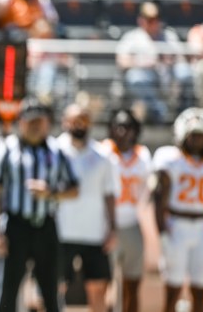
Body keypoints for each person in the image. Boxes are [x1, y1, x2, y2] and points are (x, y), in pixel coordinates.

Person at [0, 96, 78, 312]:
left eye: (39, 121)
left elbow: (74, 189)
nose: (35, 126)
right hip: (15, 226)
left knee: (51, 292)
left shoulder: (58, 150)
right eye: (30, 121)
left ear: (47, 123)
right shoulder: (6, 148)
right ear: (20, 122)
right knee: (6, 292)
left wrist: (51, 193)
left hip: (46, 225)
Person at [152, 107, 203, 312]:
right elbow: (159, 200)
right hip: (177, 225)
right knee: (172, 290)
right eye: (193, 135)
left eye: (200, 136)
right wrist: (162, 232)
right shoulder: (169, 158)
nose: (197, 141)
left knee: (200, 291)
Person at [56, 104, 120, 312]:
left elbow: (109, 194)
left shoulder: (103, 155)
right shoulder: (53, 151)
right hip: (60, 232)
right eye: (74, 120)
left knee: (97, 290)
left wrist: (112, 227)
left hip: (94, 234)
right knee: (54, 289)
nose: (79, 125)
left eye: (83, 120)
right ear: (64, 121)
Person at [99, 109, 153, 312]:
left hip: (131, 223)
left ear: (136, 130)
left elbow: (146, 191)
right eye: (118, 126)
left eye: (128, 126)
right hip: (105, 226)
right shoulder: (103, 151)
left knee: (132, 284)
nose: (123, 131)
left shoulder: (143, 155)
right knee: (102, 284)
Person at [115, 1, 193, 124]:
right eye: (149, 19)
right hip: (147, 81)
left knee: (185, 72)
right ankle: (159, 112)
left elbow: (181, 57)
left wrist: (169, 60)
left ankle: (184, 111)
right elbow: (121, 60)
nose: (153, 22)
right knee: (135, 77)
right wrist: (142, 63)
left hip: (168, 79)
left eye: (155, 19)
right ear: (141, 20)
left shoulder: (169, 36)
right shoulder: (132, 37)